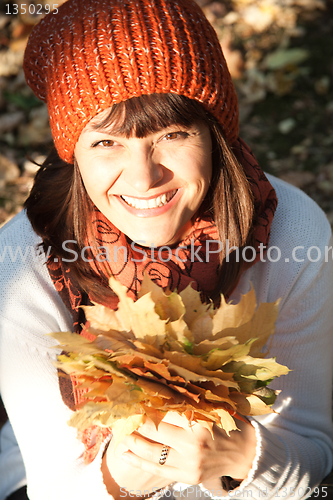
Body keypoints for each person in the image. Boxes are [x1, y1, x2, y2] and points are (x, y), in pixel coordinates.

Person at [0, 0, 332, 499]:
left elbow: (313, 448)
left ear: (214, 134)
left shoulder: (294, 234)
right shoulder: (22, 267)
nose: (143, 177)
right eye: (106, 143)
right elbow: (55, 487)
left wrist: (244, 458)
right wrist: (130, 474)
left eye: (172, 134)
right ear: (73, 153)